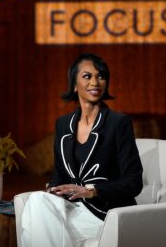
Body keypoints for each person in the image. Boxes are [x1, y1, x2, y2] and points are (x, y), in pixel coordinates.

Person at [20, 53, 143, 247]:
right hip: (73, 207)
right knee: (38, 201)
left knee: (33, 223)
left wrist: (91, 191)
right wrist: (53, 190)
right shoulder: (63, 124)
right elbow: (60, 174)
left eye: (101, 76)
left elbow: (133, 182)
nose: (95, 82)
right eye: (87, 76)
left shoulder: (118, 123)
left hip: (104, 212)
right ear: (74, 84)